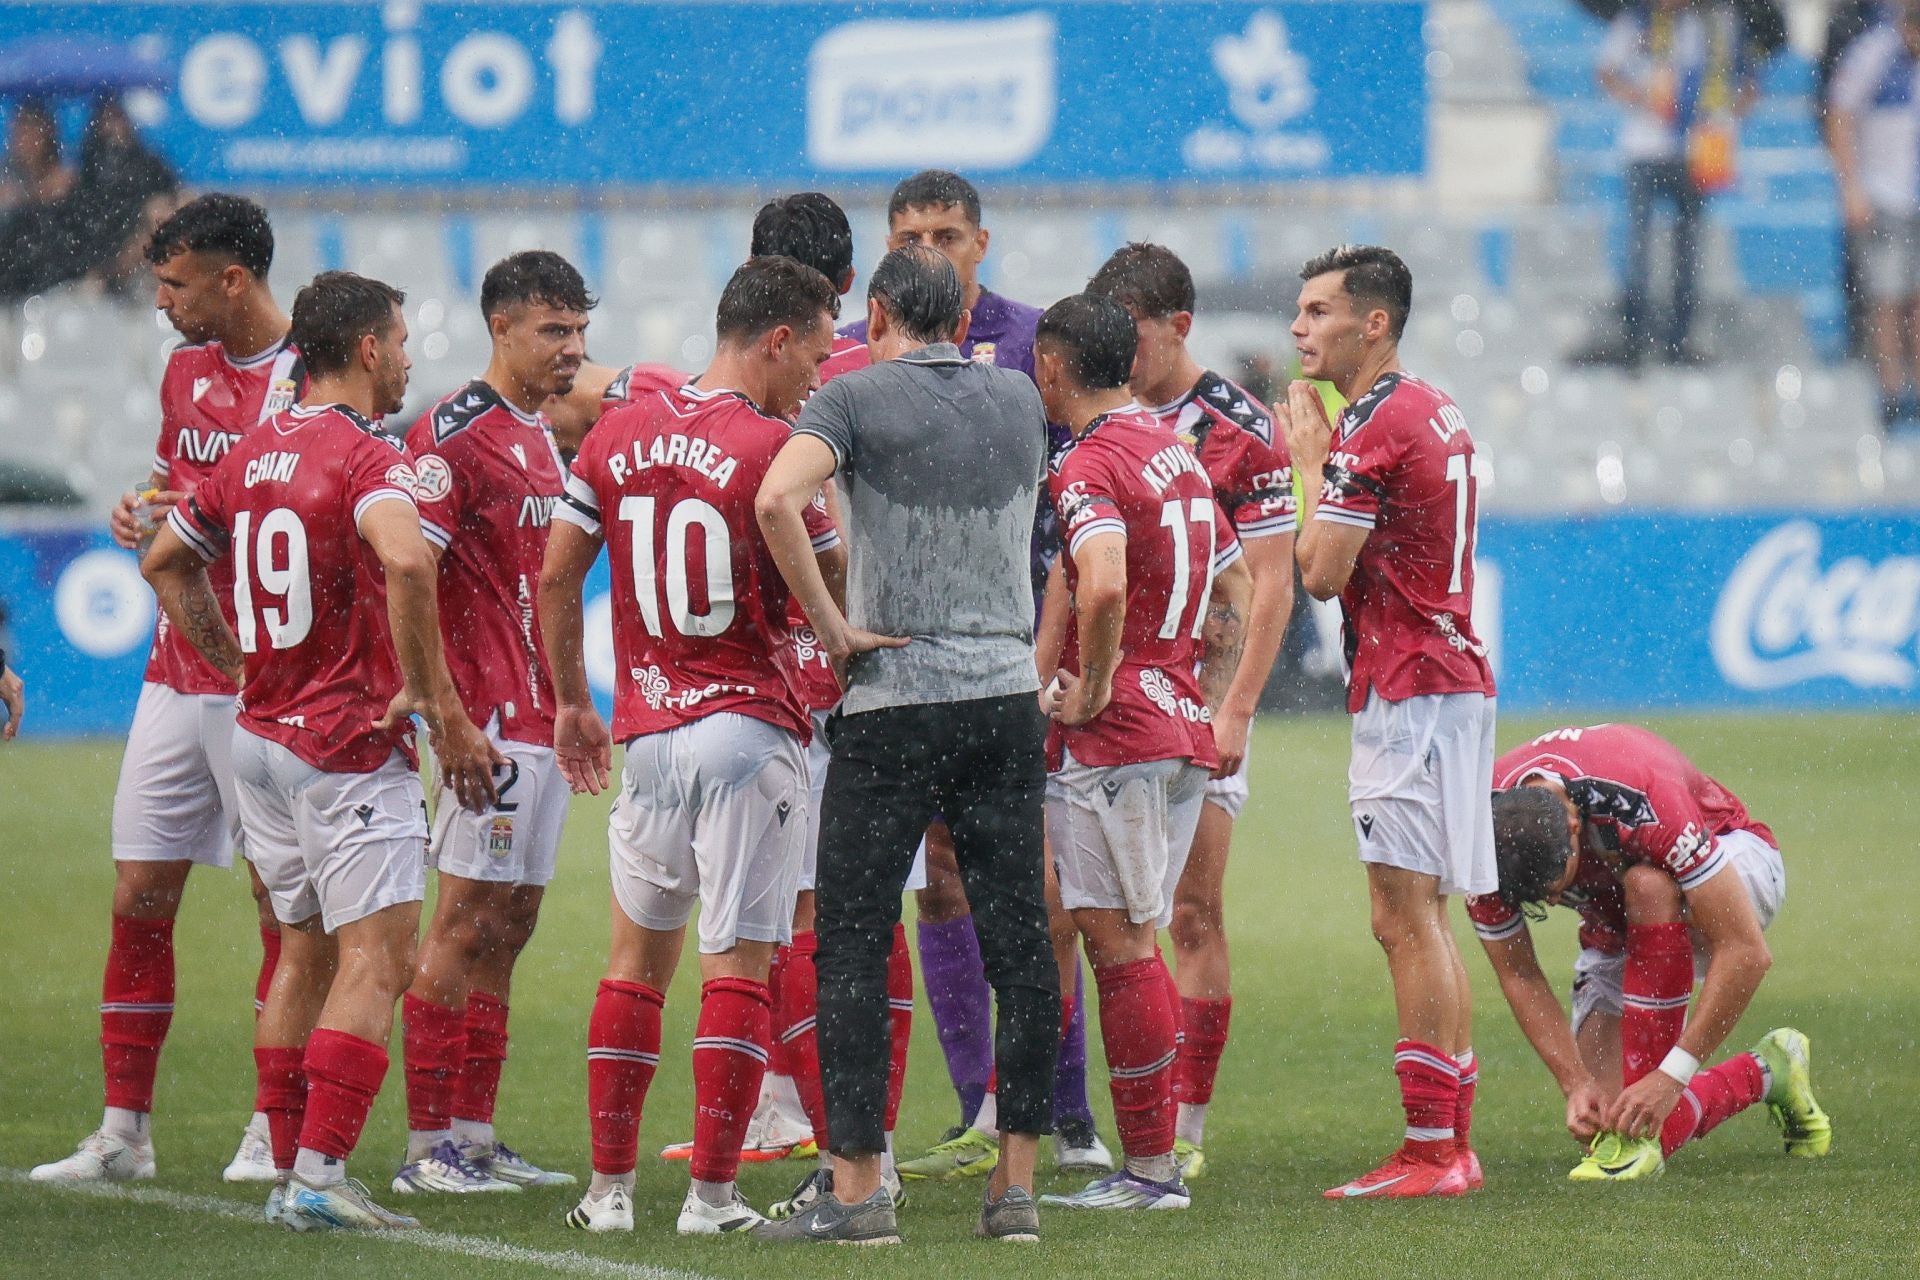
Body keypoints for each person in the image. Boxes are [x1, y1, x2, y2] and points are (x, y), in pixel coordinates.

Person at [140, 269, 499, 1231]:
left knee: (300, 952)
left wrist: (237, 662)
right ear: (371, 349)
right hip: (343, 747)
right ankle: (320, 1174)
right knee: (376, 960)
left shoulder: (250, 452)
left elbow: (164, 560)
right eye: (404, 337)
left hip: (261, 739)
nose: (413, 357)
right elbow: (410, 557)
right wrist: (435, 703)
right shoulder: (364, 459)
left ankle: (292, 1162)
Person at [752, 245, 1059, 1244]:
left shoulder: (852, 398)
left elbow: (772, 500)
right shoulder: (1017, 398)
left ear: (878, 311)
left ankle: (857, 1191)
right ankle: (1015, 1188)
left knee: (849, 935)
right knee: (1019, 939)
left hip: (893, 698)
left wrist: (835, 629)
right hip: (1004, 692)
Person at [540, 256, 842, 1237]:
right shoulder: (776, 447)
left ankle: (608, 1193)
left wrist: (567, 701)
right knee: (739, 965)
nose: (817, 377)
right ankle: (712, 1196)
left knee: (633, 962)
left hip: (650, 733)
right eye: (815, 352)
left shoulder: (616, 432)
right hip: (747, 730)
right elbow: (826, 568)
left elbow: (553, 576)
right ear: (777, 337)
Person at [30, 194, 303, 1189]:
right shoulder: (187, 367)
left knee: (284, 909)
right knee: (139, 893)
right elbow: (171, 479)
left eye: (175, 282)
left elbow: (303, 506)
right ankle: (123, 1131)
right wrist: (138, 504)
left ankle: (279, 1127)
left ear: (233, 280)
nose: (160, 302)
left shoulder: (309, 374)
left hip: (264, 674)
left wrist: (194, 510)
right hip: (172, 669)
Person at [853, 169, 1107, 1183]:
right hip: (911, 658)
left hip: (1020, 652)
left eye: (947, 232)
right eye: (910, 233)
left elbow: (1089, 490)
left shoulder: (1036, 345)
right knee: (939, 880)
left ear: (982, 242)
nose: (929, 249)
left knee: (1041, 891)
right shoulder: (862, 355)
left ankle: (1067, 1110)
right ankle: (980, 1106)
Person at [1024, 293, 1251, 1211]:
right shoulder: (1175, 451)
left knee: (1119, 946)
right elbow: (1232, 580)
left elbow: (1104, 581)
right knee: (1130, 936)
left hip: (1117, 735)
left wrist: (1103, 682)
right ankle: (1149, 1160)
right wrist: (1196, 674)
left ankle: (1151, 1170)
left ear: (1054, 367)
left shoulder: (1089, 461)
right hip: (1178, 725)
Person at [1282, 244, 1497, 1200]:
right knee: (1427, 914)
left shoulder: (1371, 423)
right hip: (1449, 673)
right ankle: (1454, 1142)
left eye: (1320, 311)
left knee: (1399, 916)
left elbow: (1319, 571)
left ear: (1374, 323)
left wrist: (1305, 463)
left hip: (1407, 686)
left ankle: (1428, 1153)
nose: (1300, 329)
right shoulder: (1432, 405)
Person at [1086, 243, 1297, 1178]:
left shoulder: (1238, 427)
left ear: (1180, 326)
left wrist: (1236, 709)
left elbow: (1269, 583)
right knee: (1087, 914)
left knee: (1190, 910)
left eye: (1134, 335)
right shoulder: (1092, 413)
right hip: (1102, 708)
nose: (1120, 352)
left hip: (1194, 709)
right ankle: (1083, 1116)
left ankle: (1186, 1126)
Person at [389, 251, 594, 1197]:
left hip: (534, 724)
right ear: (501, 326)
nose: (572, 348)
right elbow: (410, 569)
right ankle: (426, 1145)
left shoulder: (540, 433)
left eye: (579, 331)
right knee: (462, 927)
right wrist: (443, 709)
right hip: (485, 724)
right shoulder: (455, 433)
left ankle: (474, 1133)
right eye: (554, 330)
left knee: (510, 926)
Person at [1468, 724, 1830, 1180]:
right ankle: (1769, 1070)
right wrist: (1574, 1083)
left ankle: (1645, 1129)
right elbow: (1519, 974)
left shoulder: (1642, 801)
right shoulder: (1483, 848)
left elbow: (1746, 951)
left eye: (1558, 887)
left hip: (1734, 867)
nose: (1557, 902)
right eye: (1541, 902)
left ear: (1575, 826)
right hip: (1614, 922)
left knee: (1649, 885)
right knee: (1608, 1114)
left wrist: (1671, 1076)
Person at [1587, 0, 1758, 365]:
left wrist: (1724, 122)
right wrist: (1643, 97)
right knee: (1639, 248)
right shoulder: (1639, 19)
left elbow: (1747, 81)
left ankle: (1679, 340)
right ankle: (1634, 337)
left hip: (1697, 151)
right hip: (1647, 147)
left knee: (1689, 250)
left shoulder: (1721, 21)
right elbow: (1605, 70)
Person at [1828, 0, 1920, 429]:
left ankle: (1916, 390)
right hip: (1885, 196)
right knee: (1886, 299)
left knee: (1916, 302)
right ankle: (1891, 392)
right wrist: (1852, 187)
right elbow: (1840, 115)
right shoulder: (1875, 53)